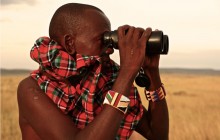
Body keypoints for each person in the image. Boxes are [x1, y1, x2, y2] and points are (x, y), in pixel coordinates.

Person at [17, 3, 169, 140]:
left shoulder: (105, 80)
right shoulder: (33, 88)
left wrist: (151, 72)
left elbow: (157, 135)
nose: (110, 49)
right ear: (70, 43)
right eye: (101, 40)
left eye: (110, 38)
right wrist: (127, 73)